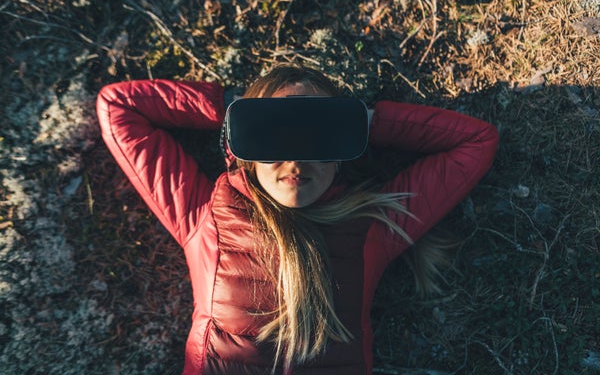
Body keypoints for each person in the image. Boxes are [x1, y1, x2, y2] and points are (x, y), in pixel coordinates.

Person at [96, 65, 499, 375]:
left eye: (319, 135)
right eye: (273, 134)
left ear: (341, 154)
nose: (296, 158)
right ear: (246, 151)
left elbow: (475, 142)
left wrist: (362, 120)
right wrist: (232, 112)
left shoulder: (372, 227)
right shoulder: (207, 217)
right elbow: (119, 107)